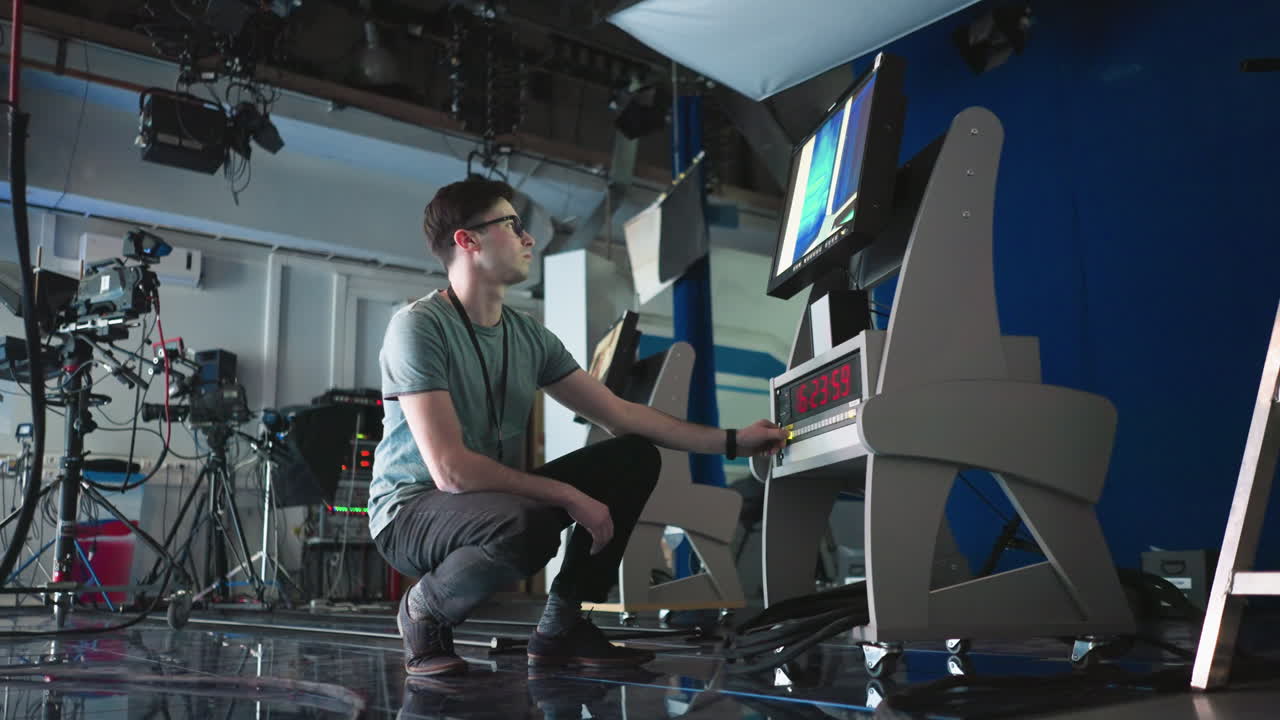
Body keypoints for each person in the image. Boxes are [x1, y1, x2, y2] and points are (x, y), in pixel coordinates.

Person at [370, 178, 788, 677]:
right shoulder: (418, 326)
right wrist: (568, 495)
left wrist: (734, 442)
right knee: (526, 527)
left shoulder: (528, 335)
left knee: (633, 456)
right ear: (468, 240)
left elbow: (622, 414)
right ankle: (423, 612)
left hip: (480, 505)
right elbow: (451, 471)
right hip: (409, 512)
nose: (529, 239)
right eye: (513, 225)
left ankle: (562, 627)